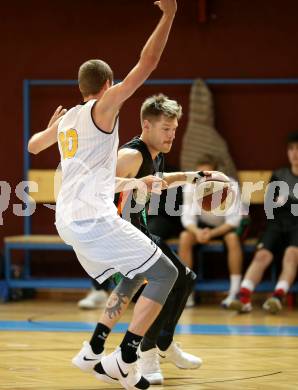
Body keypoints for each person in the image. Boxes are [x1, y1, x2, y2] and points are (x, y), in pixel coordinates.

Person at [28, 2, 180, 389]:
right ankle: (125, 356)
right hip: (92, 218)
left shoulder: (67, 120)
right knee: (166, 273)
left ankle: (95, 350)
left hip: (67, 220)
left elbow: (32, 147)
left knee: (133, 276)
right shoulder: (102, 106)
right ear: (107, 84)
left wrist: (51, 131)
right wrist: (169, 14)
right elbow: (146, 65)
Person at [114, 94, 204, 384]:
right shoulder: (131, 155)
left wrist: (197, 176)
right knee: (170, 280)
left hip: (139, 231)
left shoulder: (155, 153)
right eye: (166, 129)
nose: (172, 135)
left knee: (186, 277)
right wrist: (134, 182)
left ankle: (163, 344)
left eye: (175, 129)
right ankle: (148, 350)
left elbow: (161, 179)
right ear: (146, 125)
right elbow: (96, 186)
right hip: (119, 236)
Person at [230, 131, 298, 314]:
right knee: (262, 255)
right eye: (291, 149)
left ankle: (277, 298)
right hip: (276, 225)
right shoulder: (279, 175)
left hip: (297, 228)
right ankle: (243, 298)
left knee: (292, 254)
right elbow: (270, 207)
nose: (295, 153)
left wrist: (289, 202)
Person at [179, 156, 243, 308]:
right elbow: (187, 219)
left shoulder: (230, 186)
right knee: (185, 237)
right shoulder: (191, 187)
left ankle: (235, 292)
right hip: (203, 227)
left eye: (207, 174)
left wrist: (210, 234)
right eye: (200, 174)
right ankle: (187, 293)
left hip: (225, 227)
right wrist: (198, 232)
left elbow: (233, 222)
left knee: (232, 239)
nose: (203, 178)